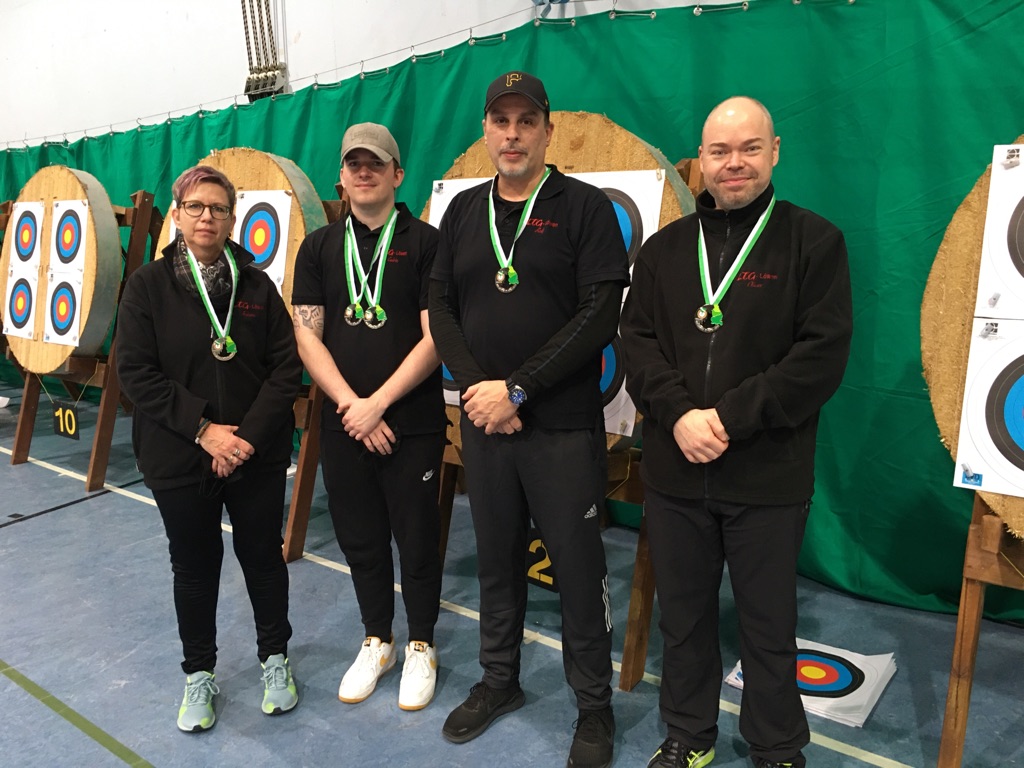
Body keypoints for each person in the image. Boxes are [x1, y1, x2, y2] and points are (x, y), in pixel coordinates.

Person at [620, 96, 853, 768]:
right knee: (684, 619)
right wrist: (681, 415)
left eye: (749, 148)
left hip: (767, 476)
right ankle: (688, 737)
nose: (734, 163)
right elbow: (636, 344)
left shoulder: (815, 241)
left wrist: (725, 417)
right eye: (720, 151)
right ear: (702, 159)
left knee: (768, 625)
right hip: (676, 471)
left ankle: (776, 746)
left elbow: (820, 357)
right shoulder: (664, 251)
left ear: (775, 151)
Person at [429, 71, 629, 768]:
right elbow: (441, 310)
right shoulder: (460, 214)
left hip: (562, 425)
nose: (511, 134)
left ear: (548, 130)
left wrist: (518, 389)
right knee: (496, 559)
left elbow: (601, 314)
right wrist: (479, 389)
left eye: (525, 121)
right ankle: (498, 681)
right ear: (485, 130)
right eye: (499, 120)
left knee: (578, 569)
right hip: (484, 422)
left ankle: (594, 707)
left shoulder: (584, 208)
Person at [116, 165, 302, 732]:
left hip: (254, 454)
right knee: (194, 568)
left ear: (232, 218)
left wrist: (242, 438)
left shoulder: (256, 284)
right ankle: (199, 673)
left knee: (263, 560)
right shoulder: (148, 286)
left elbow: (286, 368)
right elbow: (135, 372)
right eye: (195, 207)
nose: (207, 218)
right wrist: (204, 431)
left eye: (218, 209)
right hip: (180, 455)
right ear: (176, 215)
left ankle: (275, 659)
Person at [291, 123, 445, 711]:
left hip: (411, 423)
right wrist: (353, 408)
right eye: (353, 162)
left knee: (417, 540)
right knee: (360, 539)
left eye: (376, 162)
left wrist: (377, 403)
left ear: (397, 174)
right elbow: (308, 337)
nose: (364, 171)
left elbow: (435, 338)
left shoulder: (428, 244)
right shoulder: (320, 248)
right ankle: (378, 639)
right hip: (343, 422)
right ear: (341, 175)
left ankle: (422, 645)